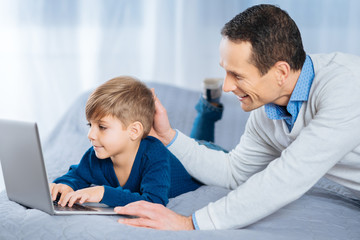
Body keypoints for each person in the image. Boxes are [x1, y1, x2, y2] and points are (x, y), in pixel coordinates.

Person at [114, 4, 360, 230]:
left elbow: (290, 176)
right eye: (225, 71)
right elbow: (233, 172)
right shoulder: (267, 112)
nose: (227, 86)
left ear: (281, 72)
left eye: (237, 75)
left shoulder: (346, 87)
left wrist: (192, 223)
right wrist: (167, 136)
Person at [50, 76, 201, 208]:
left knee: (202, 145)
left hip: (194, 162)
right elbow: (77, 175)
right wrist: (65, 185)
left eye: (102, 127)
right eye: (90, 125)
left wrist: (103, 192)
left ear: (134, 131)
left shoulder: (154, 154)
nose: (90, 135)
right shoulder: (97, 155)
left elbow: (155, 201)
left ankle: (207, 110)